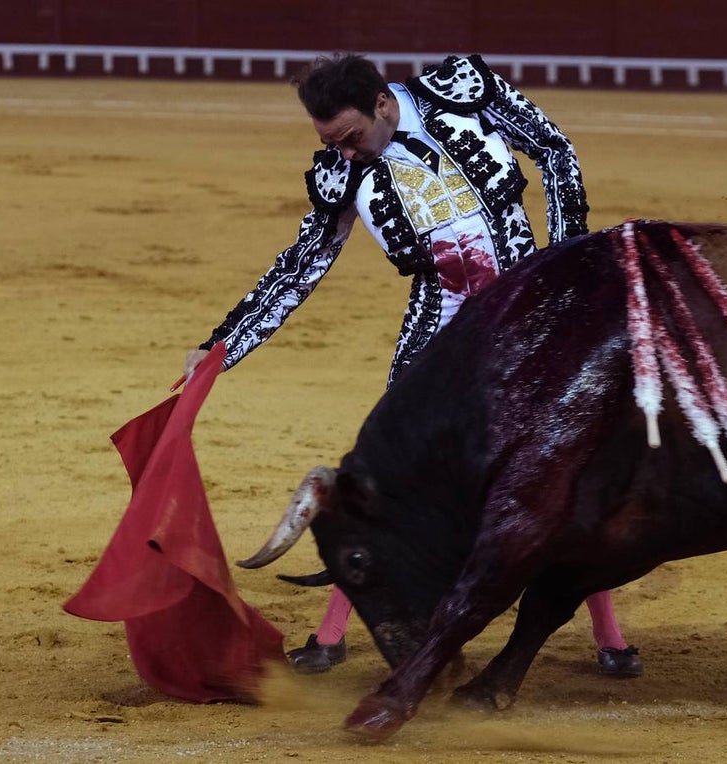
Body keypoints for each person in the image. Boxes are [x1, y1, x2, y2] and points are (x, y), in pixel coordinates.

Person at [184, 53, 642, 679]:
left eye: (349, 138)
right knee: (390, 477)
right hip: (438, 326)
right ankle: (331, 636)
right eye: (330, 143)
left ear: (381, 103)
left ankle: (610, 637)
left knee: (562, 467)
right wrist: (222, 347)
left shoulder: (460, 90)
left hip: (527, 312)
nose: (343, 155)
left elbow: (556, 153)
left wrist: (559, 267)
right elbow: (301, 266)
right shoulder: (342, 175)